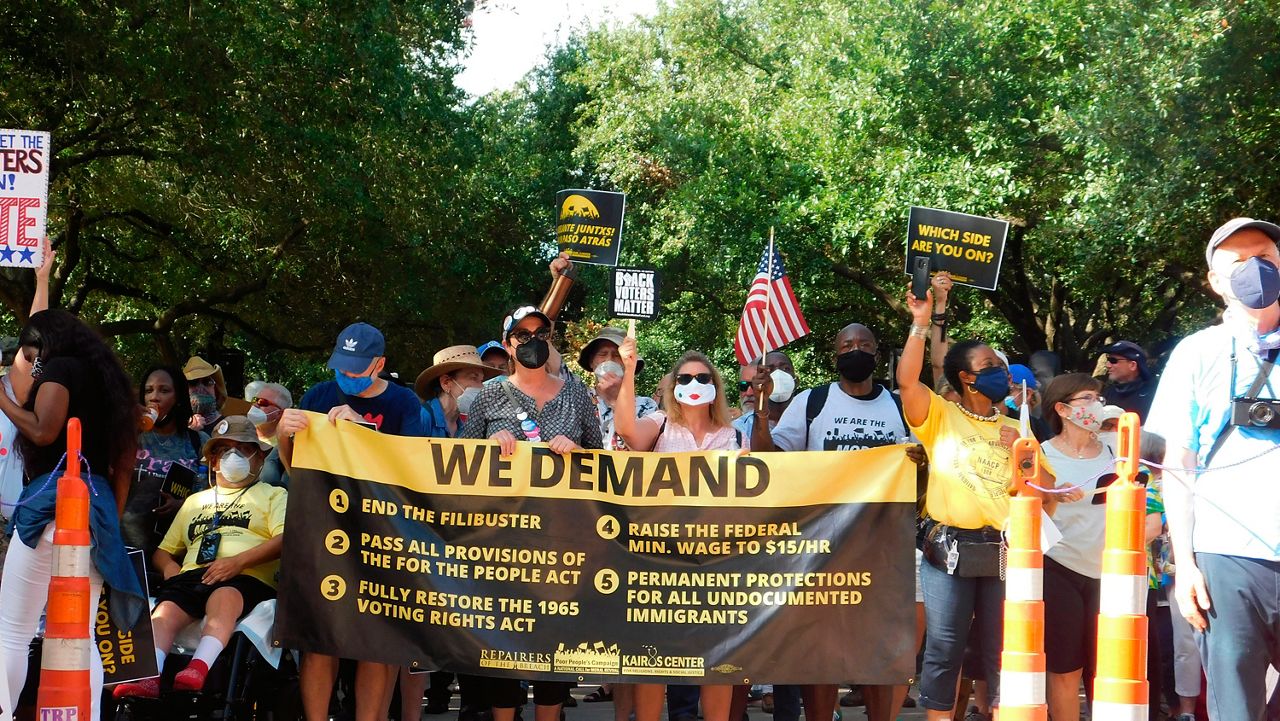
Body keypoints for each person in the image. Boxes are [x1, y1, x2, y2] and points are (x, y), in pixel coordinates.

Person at [897, 283, 1058, 721]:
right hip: (948, 550)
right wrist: (920, 322)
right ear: (966, 378)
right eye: (987, 366)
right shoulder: (940, 416)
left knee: (1001, 645)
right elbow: (907, 380)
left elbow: (1044, 493)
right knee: (945, 646)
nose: (1001, 372)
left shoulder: (1019, 425)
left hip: (1005, 551)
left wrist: (1020, 451)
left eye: (1000, 365)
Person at [750, 322, 923, 721]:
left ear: (877, 354)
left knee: (883, 646)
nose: (855, 349)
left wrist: (920, 463)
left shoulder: (900, 406)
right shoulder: (812, 401)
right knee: (821, 647)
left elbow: (925, 468)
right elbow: (769, 458)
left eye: (864, 343)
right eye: (847, 344)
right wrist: (761, 406)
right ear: (835, 356)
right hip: (823, 543)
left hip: (883, 543)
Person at [1146, 217, 1280, 720]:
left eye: (1265, 256)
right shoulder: (1196, 353)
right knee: (1236, 708)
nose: (1255, 270)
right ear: (1215, 282)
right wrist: (1185, 567)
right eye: (1238, 263)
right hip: (1227, 558)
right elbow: (1177, 467)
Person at [276, 322, 428, 721]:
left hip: (381, 538)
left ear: (380, 364)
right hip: (323, 534)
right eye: (342, 365)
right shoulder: (317, 396)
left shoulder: (405, 403)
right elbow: (298, 474)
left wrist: (364, 431)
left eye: (357, 368)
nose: (347, 375)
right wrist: (282, 436)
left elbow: (412, 472)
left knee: (376, 642)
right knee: (319, 640)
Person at [0, 309, 146, 721]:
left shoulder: (61, 368)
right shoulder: (110, 384)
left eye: (31, 356)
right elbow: (124, 465)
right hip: (94, 509)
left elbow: (45, 431)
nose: (31, 365)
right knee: (80, 637)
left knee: (13, 630)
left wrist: (2, 398)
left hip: (51, 501)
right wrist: (108, 523)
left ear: (44, 344)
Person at [459, 305, 602, 721]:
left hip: (563, 540)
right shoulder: (488, 395)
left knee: (554, 639)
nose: (532, 340)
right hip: (503, 539)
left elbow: (602, 462)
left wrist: (577, 454)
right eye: (522, 334)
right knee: (504, 636)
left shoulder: (577, 393)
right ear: (507, 345)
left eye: (540, 332)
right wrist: (488, 446)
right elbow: (458, 465)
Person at [612, 338, 744, 721]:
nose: (694, 382)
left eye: (703, 376)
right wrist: (629, 369)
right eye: (685, 377)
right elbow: (626, 430)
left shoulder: (734, 438)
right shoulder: (661, 424)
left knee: (719, 658)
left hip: (718, 561)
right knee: (655, 656)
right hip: (662, 559)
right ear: (673, 387)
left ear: (715, 386)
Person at [113, 416, 285, 698]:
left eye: (242, 449)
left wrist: (237, 562)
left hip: (246, 575)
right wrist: (170, 570)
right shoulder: (195, 501)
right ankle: (149, 676)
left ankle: (199, 667)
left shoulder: (273, 495)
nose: (232, 456)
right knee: (166, 609)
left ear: (258, 457)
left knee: (225, 597)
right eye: (223, 449)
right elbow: (163, 552)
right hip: (194, 576)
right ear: (213, 461)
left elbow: (283, 539)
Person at [1037, 374, 1110, 721]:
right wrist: (1050, 494)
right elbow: (1024, 512)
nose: (1096, 403)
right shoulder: (1041, 454)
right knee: (1065, 669)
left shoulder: (1116, 451)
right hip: (1059, 567)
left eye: (1099, 396)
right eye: (1087, 398)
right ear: (1062, 409)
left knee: (1107, 670)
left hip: (1110, 575)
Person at [123, 365, 210, 565]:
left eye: (164, 390)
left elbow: (211, 495)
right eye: (148, 390)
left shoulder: (198, 441)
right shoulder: (130, 435)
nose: (154, 397)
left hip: (174, 550)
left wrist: (183, 505)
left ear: (178, 397)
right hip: (126, 544)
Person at [578, 326, 656, 450]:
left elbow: (641, 447)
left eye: (617, 355)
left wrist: (615, 400)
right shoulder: (577, 399)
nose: (609, 360)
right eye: (602, 354)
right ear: (591, 362)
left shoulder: (646, 406)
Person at [415, 345, 502, 438]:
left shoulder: (467, 424)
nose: (481, 387)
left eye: (481, 380)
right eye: (473, 378)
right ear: (446, 383)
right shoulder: (421, 417)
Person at [732, 351, 795, 438]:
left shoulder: (810, 418)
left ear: (796, 381)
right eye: (743, 385)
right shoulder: (737, 430)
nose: (749, 392)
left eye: (785, 369)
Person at [244, 381, 292, 488]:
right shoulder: (241, 431)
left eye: (262, 402)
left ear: (280, 413)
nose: (256, 405)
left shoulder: (288, 446)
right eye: (255, 400)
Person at [1101, 340, 1155, 421]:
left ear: (1132, 365)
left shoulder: (1156, 393)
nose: (1107, 365)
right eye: (1107, 360)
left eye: (1113, 360)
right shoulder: (1107, 393)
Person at [184, 356, 229, 433]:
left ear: (216, 390)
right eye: (193, 382)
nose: (201, 388)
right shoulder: (173, 427)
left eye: (207, 382)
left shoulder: (229, 426)